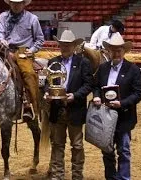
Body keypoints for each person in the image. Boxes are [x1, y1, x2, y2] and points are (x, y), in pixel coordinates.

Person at [93, 33, 141, 180]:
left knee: (124, 150)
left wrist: (122, 103)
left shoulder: (133, 69)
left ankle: (124, 178)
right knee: (107, 151)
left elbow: (138, 93)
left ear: (124, 51)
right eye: (113, 50)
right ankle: (110, 177)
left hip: (124, 116)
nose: (115, 53)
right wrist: (96, 95)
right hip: (105, 115)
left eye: (118, 50)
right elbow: (96, 86)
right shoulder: (102, 68)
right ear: (108, 51)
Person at [44, 30, 93, 180]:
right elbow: (48, 83)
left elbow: (88, 84)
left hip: (75, 108)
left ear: (74, 46)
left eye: (68, 45)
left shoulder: (83, 62)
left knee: (77, 145)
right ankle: (58, 176)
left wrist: (75, 95)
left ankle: (77, 176)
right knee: (57, 144)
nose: (64, 48)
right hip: (57, 109)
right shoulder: (52, 62)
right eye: (62, 45)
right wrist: (47, 93)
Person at [0, 0, 44, 121]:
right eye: (13, 2)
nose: (16, 5)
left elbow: (39, 39)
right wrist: (2, 40)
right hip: (5, 49)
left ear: (24, 4)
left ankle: (31, 106)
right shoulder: (3, 16)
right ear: (9, 3)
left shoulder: (32, 19)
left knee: (29, 74)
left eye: (19, 3)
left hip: (23, 51)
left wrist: (32, 50)